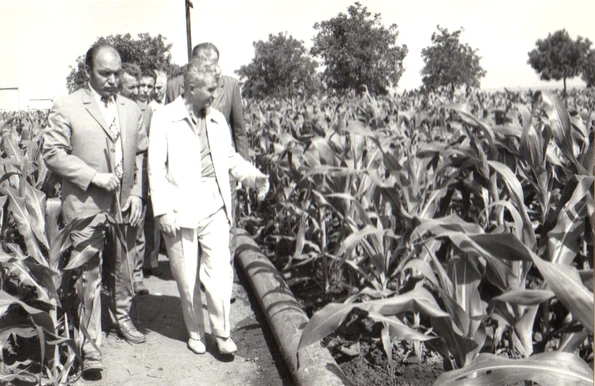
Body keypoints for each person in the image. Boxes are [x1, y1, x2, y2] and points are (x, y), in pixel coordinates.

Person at [148, 56, 269, 355]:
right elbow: (155, 168)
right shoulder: (164, 118)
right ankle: (194, 331)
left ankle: (222, 333)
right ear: (190, 88)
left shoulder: (216, 119)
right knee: (187, 277)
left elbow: (228, 158)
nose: (216, 95)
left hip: (214, 202)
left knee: (218, 274)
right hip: (179, 207)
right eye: (210, 90)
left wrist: (254, 177)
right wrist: (162, 210)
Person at [43, 44, 148, 374]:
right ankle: (91, 347)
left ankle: (122, 317)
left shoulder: (132, 109)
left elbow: (141, 154)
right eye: (105, 73)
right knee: (88, 275)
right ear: (88, 71)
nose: (113, 79)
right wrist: (93, 177)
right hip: (86, 205)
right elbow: (53, 153)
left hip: (124, 204)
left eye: (117, 73)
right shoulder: (68, 105)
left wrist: (137, 194)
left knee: (125, 265)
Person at [165, 43, 249, 301]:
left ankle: (225, 283)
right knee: (191, 230)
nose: (210, 68)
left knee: (226, 228)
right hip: (188, 176)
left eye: (214, 63)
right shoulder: (173, 86)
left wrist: (242, 170)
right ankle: (197, 282)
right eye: (204, 62)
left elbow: (240, 131)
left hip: (221, 173)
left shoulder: (231, 85)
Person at [117, 63, 152, 295]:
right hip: (113, 178)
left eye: (140, 86)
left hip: (137, 176)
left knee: (137, 228)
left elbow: (143, 149)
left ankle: (136, 276)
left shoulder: (144, 110)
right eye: (133, 87)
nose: (139, 91)